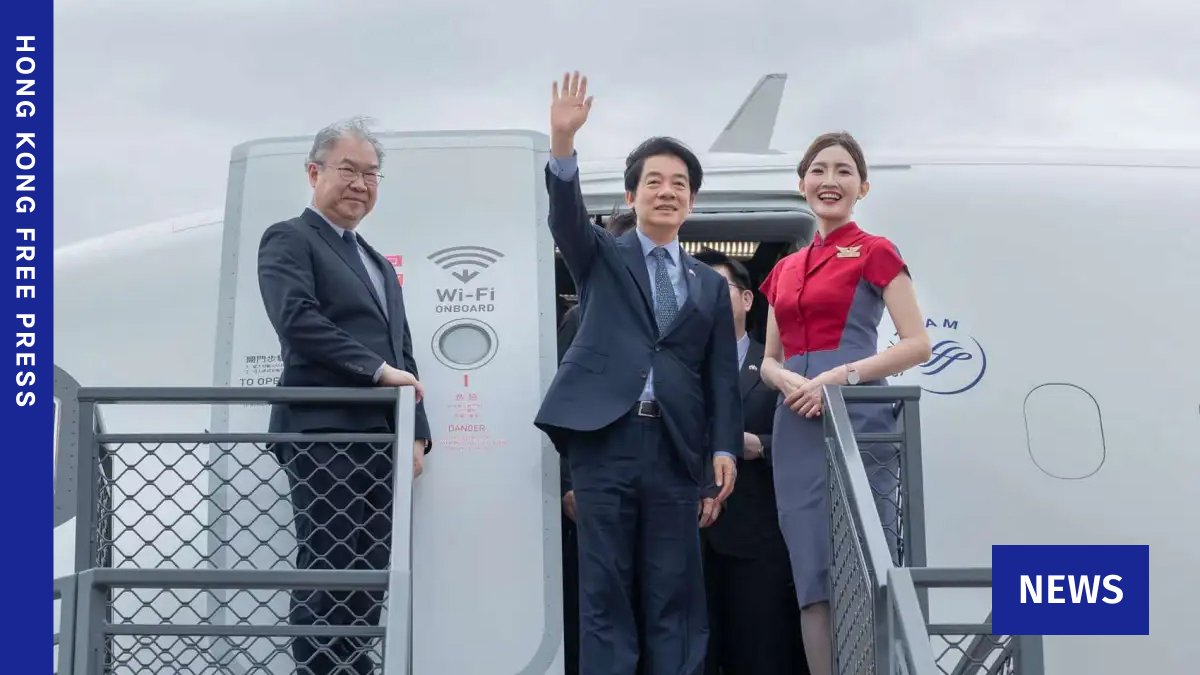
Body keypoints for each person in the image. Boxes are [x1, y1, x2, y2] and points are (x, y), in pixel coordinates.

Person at [533, 71, 742, 675]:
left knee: (675, 593)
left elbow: (719, 377)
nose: (667, 192)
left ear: (692, 202)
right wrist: (563, 143)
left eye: (680, 184)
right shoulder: (602, 256)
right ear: (632, 196)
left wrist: (723, 448)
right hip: (606, 442)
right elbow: (566, 220)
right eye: (654, 182)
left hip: (676, 450)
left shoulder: (707, 285)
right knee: (605, 591)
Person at [257, 116, 433, 675]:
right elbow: (296, 319)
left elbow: (403, 353)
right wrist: (377, 372)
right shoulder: (289, 237)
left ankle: (354, 668)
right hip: (323, 431)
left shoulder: (378, 262)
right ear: (314, 173)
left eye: (371, 174)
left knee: (369, 574)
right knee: (329, 565)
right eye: (348, 170)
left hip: (381, 439)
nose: (360, 184)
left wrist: (418, 434)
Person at [757, 131, 931, 675]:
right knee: (811, 572)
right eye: (818, 170)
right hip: (797, 420)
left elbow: (917, 344)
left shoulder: (876, 251)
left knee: (861, 563)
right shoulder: (784, 269)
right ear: (801, 183)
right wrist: (783, 380)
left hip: (858, 416)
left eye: (843, 171)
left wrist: (841, 375)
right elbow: (768, 359)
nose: (829, 180)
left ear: (862, 187)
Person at [694, 249, 808, 675]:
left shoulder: (778, 368)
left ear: (746, 299)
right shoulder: (672, 368)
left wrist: (760, 445)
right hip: (686, 542)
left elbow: (812, 442)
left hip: (758, 539)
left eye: (716, 287)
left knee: (760, 655)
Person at [556, 208, 638, 675]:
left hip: (660, 481)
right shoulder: (581, 316)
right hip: (598, 478)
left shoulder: (678, 310)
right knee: (603, 600)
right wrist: (570, 482)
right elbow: (563, 401)